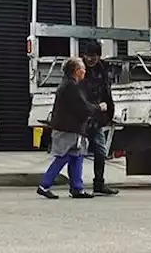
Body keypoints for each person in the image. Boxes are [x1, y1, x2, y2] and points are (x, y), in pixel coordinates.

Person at [37, 57, 105, 199]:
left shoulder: (68, 84)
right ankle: (44, 185)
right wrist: (98, 108)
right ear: (77, 71)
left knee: (77, 156)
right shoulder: (71, 86)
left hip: (71, 128)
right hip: (68, 129)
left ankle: (77, 188)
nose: (85, 72)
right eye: (83, 69)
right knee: (64, 156)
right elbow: (82, 107)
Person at [78, 39, 119, 196]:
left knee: (101, 151)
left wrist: (108, 113)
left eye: (94, 56)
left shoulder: (102, 69)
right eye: (88, 55)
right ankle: (76, 185)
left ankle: (99, 183)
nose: (90, 59)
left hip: (97, 116)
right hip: (82, 115)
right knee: (76, 152)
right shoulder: (79, 69)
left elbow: (106, 92)